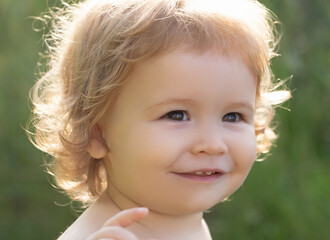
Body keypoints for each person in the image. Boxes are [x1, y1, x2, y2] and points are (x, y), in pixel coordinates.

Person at [28, 0, 290, 239]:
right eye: (177, 115)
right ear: (97, 133)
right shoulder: (103, 236)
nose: (212, 144)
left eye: (233, 116)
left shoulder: (185, 225)